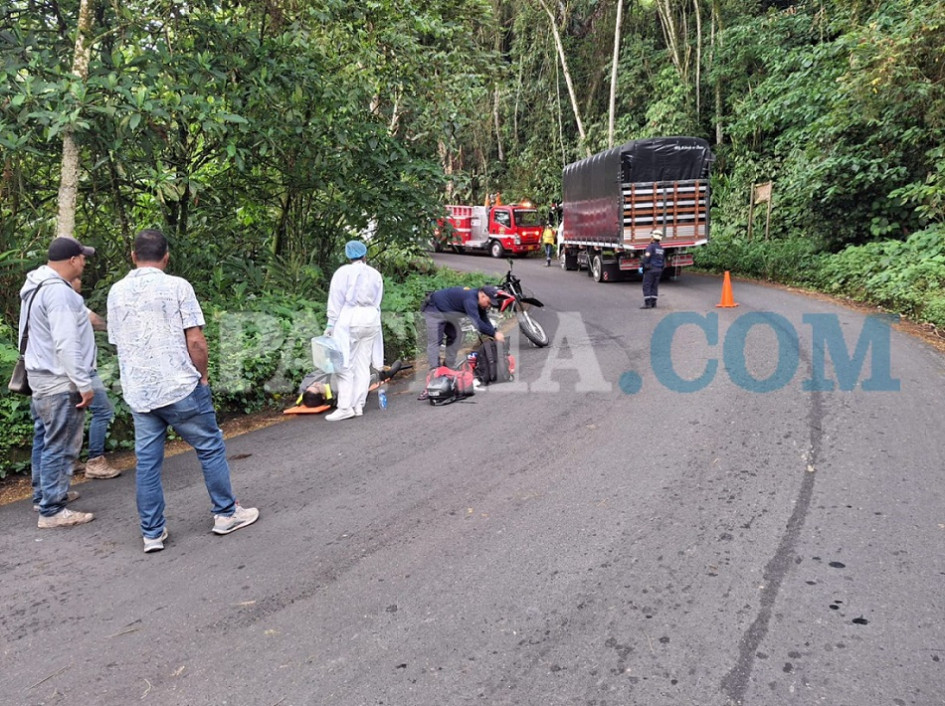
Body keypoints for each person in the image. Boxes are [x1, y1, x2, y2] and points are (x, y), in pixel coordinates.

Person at [107, 229, 259, 553]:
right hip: (180, 387)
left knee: (147, 463)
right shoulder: (178, 287)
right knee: (210, 446)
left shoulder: (116, 293)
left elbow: (120, 343)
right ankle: (226, 513)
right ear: (166, 257)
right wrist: (202, 377)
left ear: (133, 257)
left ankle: (152, 533)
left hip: (141, 394)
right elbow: (196, 341)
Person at [20, 236, 97, 528]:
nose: (85, 262)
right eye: (83, 257)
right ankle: (52, 510)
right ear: (73, 260)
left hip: (41, 378)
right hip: (59, 380)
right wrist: (83, 383)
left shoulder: (35, 287)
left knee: (44, 438)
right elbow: (66, 344)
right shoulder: (59, 293)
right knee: (60, 443)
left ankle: (44, 494)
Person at [323, 240, 384, 422]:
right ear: (365, 255)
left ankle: (345, 407)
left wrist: (330, 324)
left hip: (350, 319)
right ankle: (358, 405)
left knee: (344, 364)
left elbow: (336, 299)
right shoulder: (375, 274)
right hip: (371, 319)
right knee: (362, 364)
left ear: (348, 255)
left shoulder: (343, 272)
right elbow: (377, 300)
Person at [70, 276, 121, 480]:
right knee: (103, 410)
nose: (80, 281)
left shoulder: (53, 301)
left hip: (65, 370)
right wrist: (117, 329)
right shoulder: (70, 299)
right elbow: (95, 321)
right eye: (77, 278)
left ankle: (68, 461)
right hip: (82, 369)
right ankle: (95, 460)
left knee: (71, 415)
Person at [418, 285, 504, 400]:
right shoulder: (470, 300)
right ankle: (434, 378)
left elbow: (484, 320)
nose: (488, 306)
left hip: (447, 312)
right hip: (434, 309)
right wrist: (494, 334)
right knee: (435, 342)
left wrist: (494, 332)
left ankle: (448, 368)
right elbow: (477, 324)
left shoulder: (478, 302)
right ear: (482, 295)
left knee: (456, 335)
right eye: (488, 303)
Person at [640, 229, 666, 309]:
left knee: (647, 285)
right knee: (654, 286)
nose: (650, 238)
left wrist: (642, 265)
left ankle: (648, 303)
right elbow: (662, 259)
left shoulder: (650, 247)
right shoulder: (661, 248)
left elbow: (647, 257)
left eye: (651, 236)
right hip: (659, 269)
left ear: (653, 237)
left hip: (651, 269)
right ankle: (654, 302)